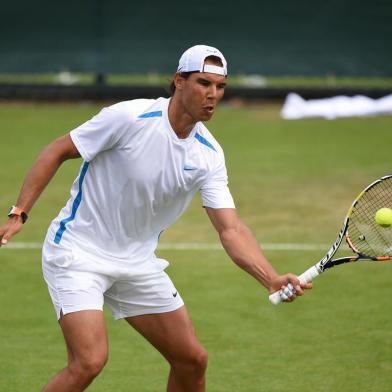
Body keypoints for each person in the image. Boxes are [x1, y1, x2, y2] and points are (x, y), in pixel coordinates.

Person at [0, 45, 311, 392]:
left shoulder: (209, 155)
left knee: (192, 360)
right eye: (203, 83)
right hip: (77, 254)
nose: (212, 95)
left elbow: (231, 228)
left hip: (137, 263)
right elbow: (58, 150)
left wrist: (268, 277)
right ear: (179, 81)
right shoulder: (129, 117)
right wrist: (19, 212)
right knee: (89, 361)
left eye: (220, 87)